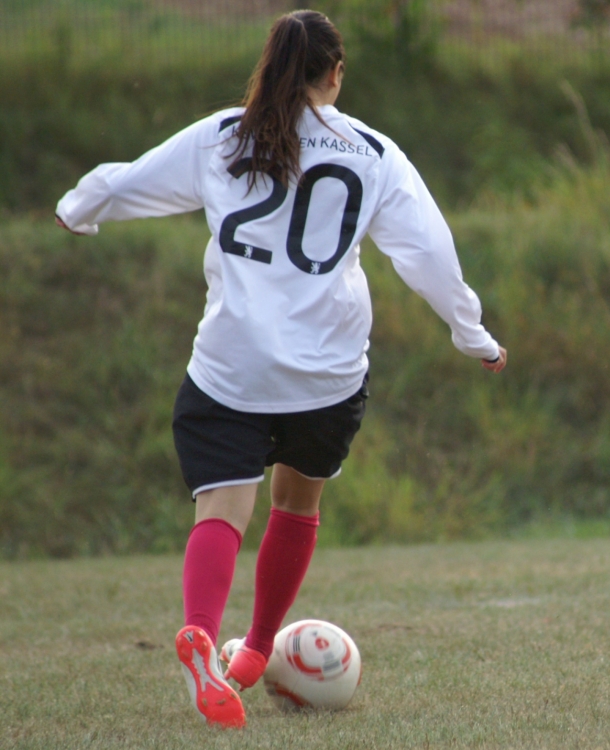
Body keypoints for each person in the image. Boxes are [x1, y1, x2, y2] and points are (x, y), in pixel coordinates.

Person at [55, 9, 506, 729]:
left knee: (221, 514)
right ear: (336, 74)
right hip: (326, 374)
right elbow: (428, 252)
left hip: (232, 367)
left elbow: (132, 181)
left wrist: (79, 207)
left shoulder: (222, 135)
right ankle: (258, 650)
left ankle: (203, 634)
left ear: (269, 65)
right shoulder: (374, 153)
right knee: (296, 505)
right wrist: (472, 333)